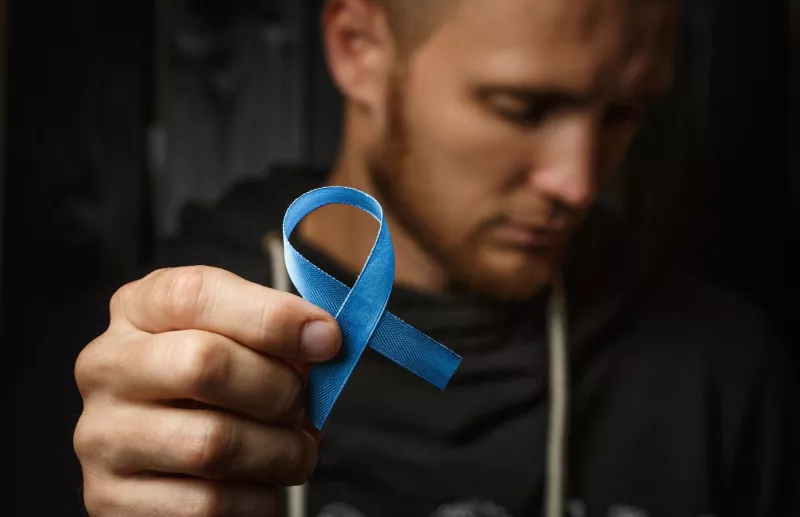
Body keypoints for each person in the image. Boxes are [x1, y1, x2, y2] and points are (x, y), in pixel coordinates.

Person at [72, 0, 798, 516]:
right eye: (523, 107)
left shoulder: (720, 369)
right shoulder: (164, 356)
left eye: (622, 112)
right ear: (359, 49)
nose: (579, 183)